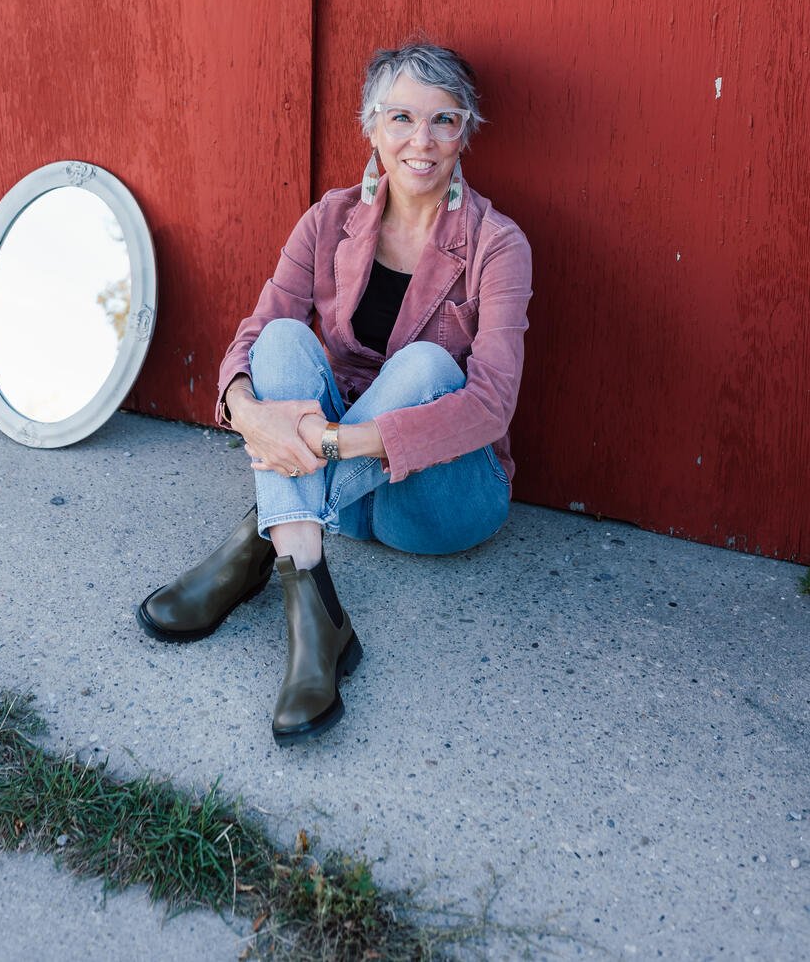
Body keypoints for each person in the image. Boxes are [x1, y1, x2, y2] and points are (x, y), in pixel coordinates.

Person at [137, 42, 532, 746]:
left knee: (424, 367)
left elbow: (491, 404)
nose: (421, 140)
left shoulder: (497, 244)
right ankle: (314, 617)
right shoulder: (330, 218)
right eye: (401, 117)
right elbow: (252, 338)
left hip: (435, 504)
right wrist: (248, 413)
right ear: (371, 126)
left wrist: (328, 442)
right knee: (283, 338)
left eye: (444, 120)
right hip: (343, 504)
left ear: (465, 133)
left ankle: (250, 550)